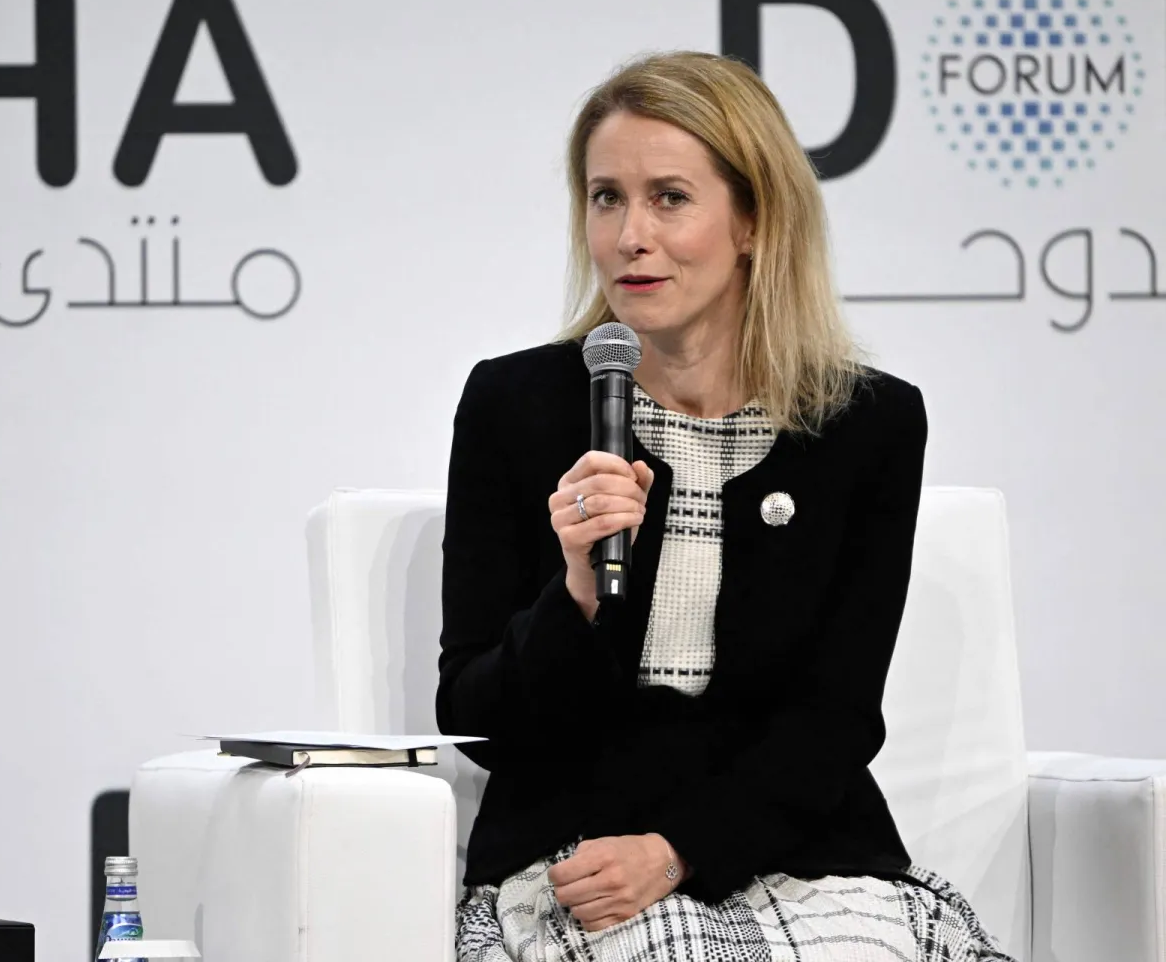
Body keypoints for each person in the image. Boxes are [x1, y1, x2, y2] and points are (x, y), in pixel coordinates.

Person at [435, 51, 1015, 962]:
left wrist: (680, 851)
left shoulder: (867, 423)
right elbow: (473, 716)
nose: (630, 235)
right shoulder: (517, 407)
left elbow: (835, 719)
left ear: (753, 220)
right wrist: (575, 593)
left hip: (800, 852)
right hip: (580, 859)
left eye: (669, 198)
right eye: (606, 198)